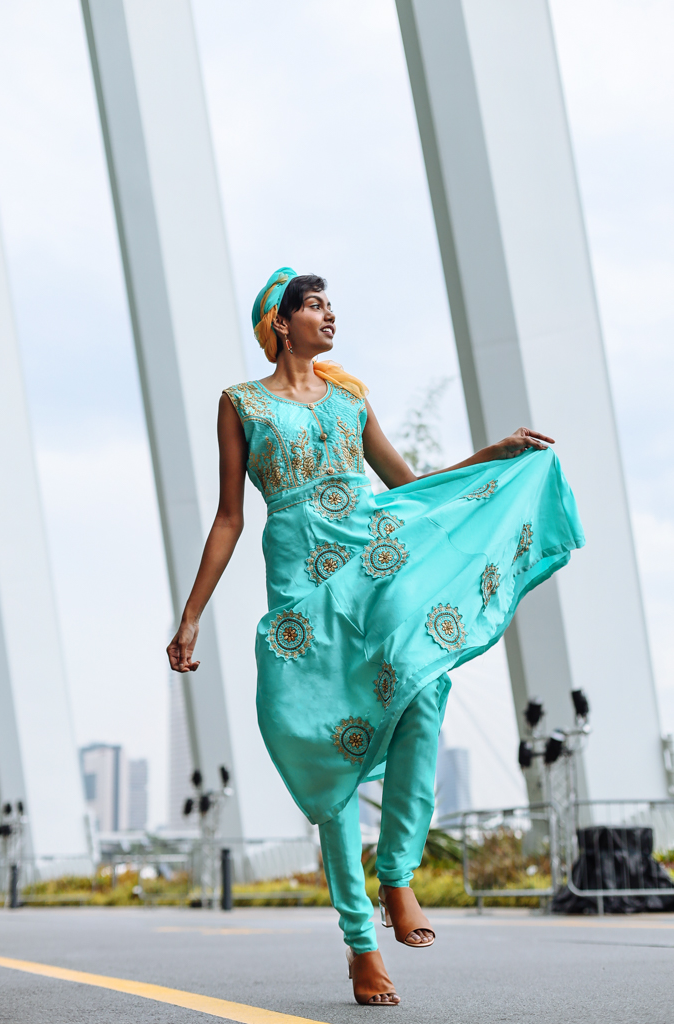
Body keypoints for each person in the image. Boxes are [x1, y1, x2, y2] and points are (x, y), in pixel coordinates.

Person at [167, 268, 584, 1006]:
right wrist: (193, 612)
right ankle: (360, 943)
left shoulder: (351, 397)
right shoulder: (241, 404)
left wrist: (490, 457)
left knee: (424, 691)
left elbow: (407, 486)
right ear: (280, 322)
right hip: (301, 583)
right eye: (314, 306)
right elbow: (230, 516)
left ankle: (396, 876)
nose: (329, 316)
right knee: (328, 749)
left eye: (330, 305)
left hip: (375, 562)